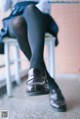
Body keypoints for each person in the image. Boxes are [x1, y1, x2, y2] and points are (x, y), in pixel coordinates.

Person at [0, 0, 67, 112]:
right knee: (19, 22)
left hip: (37, 15)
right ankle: (49, 82)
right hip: (16, 16)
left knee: (31, 8)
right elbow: (4, 7)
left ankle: (36, 71)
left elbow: (45, 5)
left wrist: (33, 12)